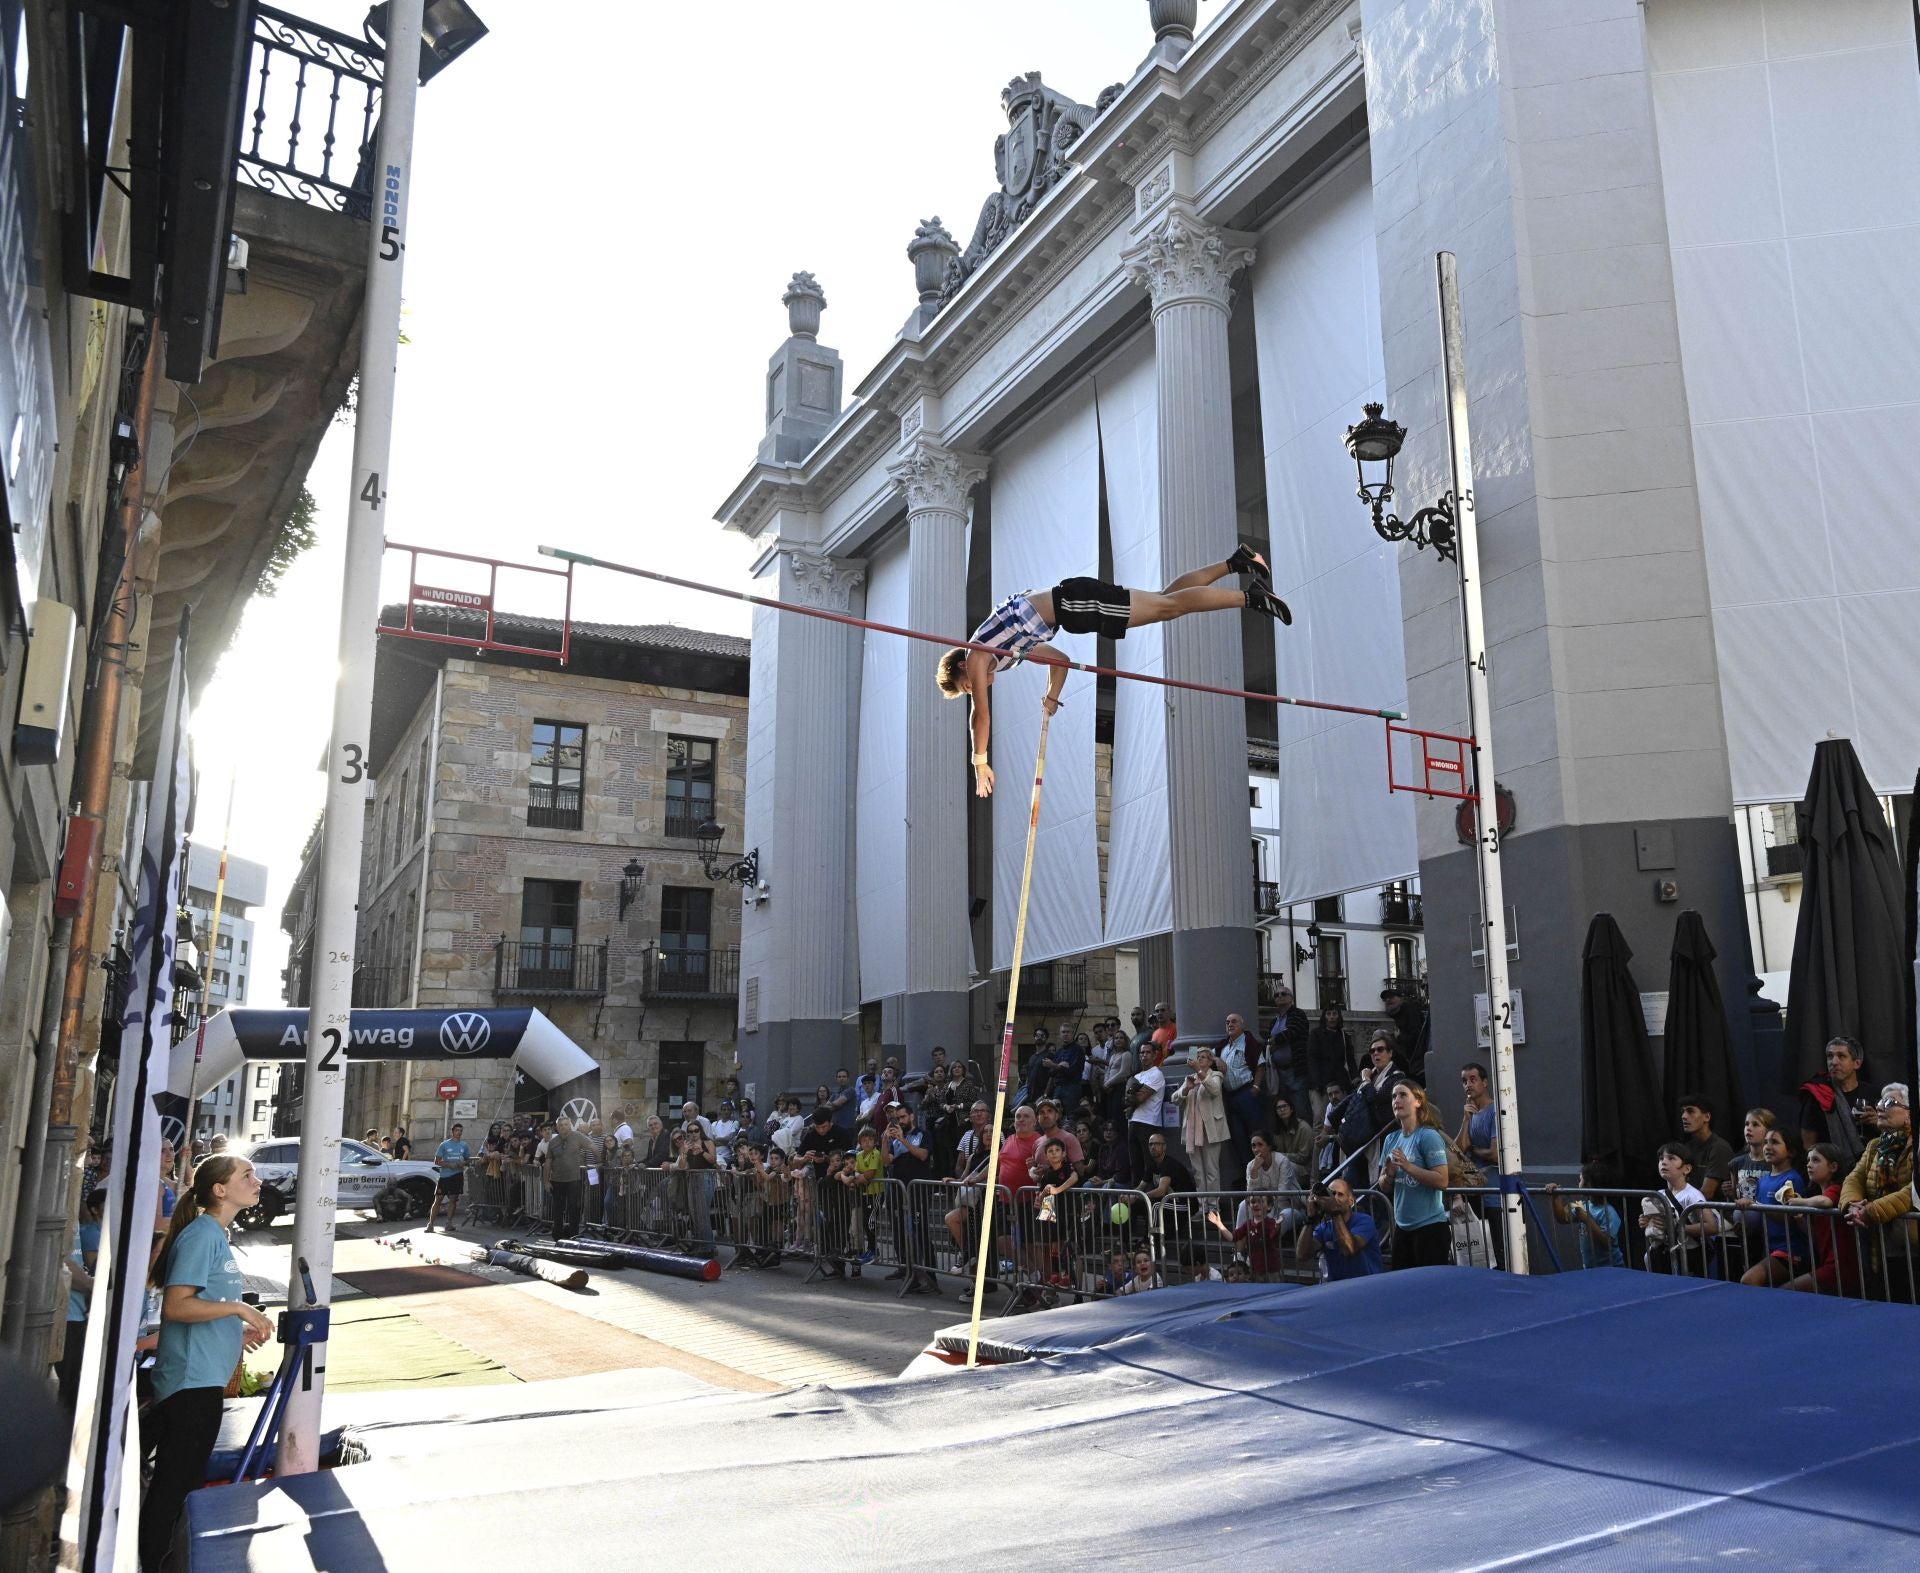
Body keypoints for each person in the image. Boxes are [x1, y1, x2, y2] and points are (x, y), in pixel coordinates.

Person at [938, 549, 1289, 797]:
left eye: (966, 685)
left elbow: (979, 717)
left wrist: (978, 762)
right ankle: (1235, 562)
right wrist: (1051, 697)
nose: (975, 688)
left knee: (1168, 608)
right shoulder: (1006, 650)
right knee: (1165, 599)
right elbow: (1059, 661)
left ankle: (1251, 598)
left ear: (960, 668)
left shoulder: (978, 653)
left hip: (1074, 604)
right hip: (1074, 604)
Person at [138, 1157, 275, 1570]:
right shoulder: (202, 1236)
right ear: (220, 1190)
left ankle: (165, 1557)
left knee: (183, 1481)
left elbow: (204, 1307)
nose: (258, 1180)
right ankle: (155, 1560)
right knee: (176, 1485)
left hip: (202, 1378)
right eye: (247, 1176)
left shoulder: (216, 1234)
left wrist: (235, 1330)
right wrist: (240, 1309)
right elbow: (178, 1307)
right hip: (189, 1381)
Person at [1837, 1082, 1914, 1302]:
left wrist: (1872, 1211)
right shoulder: (1875, 1146)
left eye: (1890, 1102)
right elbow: (1854, 1178)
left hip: (1913, 1246)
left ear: (1910, 1113)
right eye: (1880, 1101)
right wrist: (1852, 1204)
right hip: (1880, 1245)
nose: (1879, 1107)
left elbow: (1915, 1190)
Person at [1381, 1082, 1451, 1269]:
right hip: (1402, 1228)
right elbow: (1383, 1186)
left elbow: (1442, 1180)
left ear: (1418, 1101)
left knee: (1430, 1290)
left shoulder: (1428, 1136)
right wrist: (1388, 1176)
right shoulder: (1391, 1139)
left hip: (1430, 1228)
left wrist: (1407, 1166)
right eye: (1394, 1097)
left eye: (1403, 1095)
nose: (1397, 1100)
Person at [1781, 1143, 1857, 1295]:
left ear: (1833, 1167)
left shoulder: (1837, 1188)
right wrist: (1801, 1220)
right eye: (1808, 1160)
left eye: (1815, 1160)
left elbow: (1826, 1202)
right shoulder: (1818, 1196)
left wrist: (1798, 1202)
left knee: (1786, 1291)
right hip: (1828, 1264)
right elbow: (1817, 1235)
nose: (1809, 1165)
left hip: (1839, 1267)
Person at [1736, 1127, 1807, 1288]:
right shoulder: (1764, 1180)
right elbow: (1760, 1219)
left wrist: (1756, 1206)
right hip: (1768, 1248)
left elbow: (1789, 1217)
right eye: (1766, 1142)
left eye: (1774, 1142)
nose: (1767, 1147)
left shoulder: (1792, 1179)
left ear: (1791, 1152)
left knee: (1749, 1280)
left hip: (1790, 1250)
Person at [57, 1186, 105, 1408]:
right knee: (64, 1391)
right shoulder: (59, 1216)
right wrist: (92, 1285)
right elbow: (61, 1261)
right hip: (63, 1316)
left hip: (77, 1314)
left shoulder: (71, 1216)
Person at [1798, 1036, 1880, 1166]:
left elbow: (1893, 1134)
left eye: (1841, 1056)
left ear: (1856, 1063)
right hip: (1834, 1170)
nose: (1834, 1062)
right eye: (1830, 1056)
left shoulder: (1875, 1093)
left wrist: (1878, 1122)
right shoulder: (1817, 1095)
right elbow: (1808, 1144)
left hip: (1873, 1166)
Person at [1639, 1144, 1717, 1276]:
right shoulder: (1659, 1195)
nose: (1663, 1162)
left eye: (1671, 1158)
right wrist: (1646, 1222)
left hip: (1688, 1256)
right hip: (1664, 1255)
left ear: (1686, 1168)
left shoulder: (1692, 1195)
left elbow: (1711, 1227)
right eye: (1661, 1158)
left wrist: (1674, 1228)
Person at [1544, 1160, 1626, 1269]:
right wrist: (1556, 1197)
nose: (1579, 1183)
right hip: (1591, 1269)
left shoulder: (1609, 1211)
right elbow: (1562, 1218)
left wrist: (1587, 1220)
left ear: (1590, 1184)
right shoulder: (1583, 1206)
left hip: (1612, 1268)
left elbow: (1608, 1241)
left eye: (1581, 1179)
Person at [1172, 1044, 1230, 1198]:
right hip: (1192, 1132)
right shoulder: (1190, 1079)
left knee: (1212, 1171)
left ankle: (1213, 1207)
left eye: (1203, 1057)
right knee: (1198, 1171)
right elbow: (1174, 1099)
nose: (1199, 1060)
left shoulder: (1216, 1076)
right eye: (1197, 1057)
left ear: (1210, 1062)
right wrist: (1186, 1089)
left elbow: (1215, 1090)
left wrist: (1199, 1070)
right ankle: (1202, 1206)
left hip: (1210, 1130)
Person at [1299, 1176, 1383, 1280]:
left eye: (1340, 1194)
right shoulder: (1325, 1227)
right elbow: (1302, 1255)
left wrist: (1335, 1212)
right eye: (1331, 1193)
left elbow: (1349, 1249)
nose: (1334, 1198)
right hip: (1338, 1287)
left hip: (1365, 1285)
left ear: (1351, 1201)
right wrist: (1310, 1219)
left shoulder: (1365, 1221)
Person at [1215, 1012, 1264, 1174]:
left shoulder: (1249, 1042)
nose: (1230, 1024)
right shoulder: (1223, 1046)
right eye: (1227, 1022)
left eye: (1234, 1021)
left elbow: (1261, 1064)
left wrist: (1256, 1088)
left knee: (1256, 1135)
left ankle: (1264, 1173)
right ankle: (1248, 1177)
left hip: (1246, 1093)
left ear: (1242, 1025)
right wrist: (1216, 1059)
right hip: (1231, 1097)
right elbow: (1198, 1053)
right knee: (1239, 1138)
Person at [543, 1116, 598, 1239]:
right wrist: (546, 1182)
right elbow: (548, 1163)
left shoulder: (577, 1136)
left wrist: (600, 1161)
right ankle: (557, 1236)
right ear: (557, 1127)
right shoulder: (552, 1142)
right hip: (557, 1180)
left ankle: (574, 1235)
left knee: (574, 1208)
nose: (563, 1127)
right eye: (561, 1125)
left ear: (570, 1125)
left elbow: (592, 1145)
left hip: (574, 1180)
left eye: (566, 1124)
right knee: (558, 1209)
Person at [1210, 1193, 1284, 1282]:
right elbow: (1233, 1237)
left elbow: (1273, 1237)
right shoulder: (1247, 1225)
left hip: (1271, 1270)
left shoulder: (1271, 1223)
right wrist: (1219, 1224)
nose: (1256, 1204)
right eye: (1253, 1202)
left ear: (1269, 1206)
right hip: (1254, 1270)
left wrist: (1277, 1227)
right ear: (1249, 1205)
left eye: (1260, 1202)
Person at [1264, 984, 1311, 1119]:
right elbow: (1268, 1039)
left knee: (1300, 1109)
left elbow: (1292, 1032)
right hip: (1278, 1072)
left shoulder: (1298, 1014)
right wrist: (1272, 1041)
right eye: (1276, 995)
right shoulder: (1274, 1020)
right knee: (1284, 1110)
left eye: (1283, 994)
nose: (1279, 996)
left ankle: (1305, 1138)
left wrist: (1275, 1041)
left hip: (1295, 1070)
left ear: (1291, 998)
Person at [1677, 1094, 1734, 1201]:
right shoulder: (1686, 1148)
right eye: (1683, 1112)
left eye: (1690, 1111)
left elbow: (1706, 1194)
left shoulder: (1719, 1148)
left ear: (1707, 1117)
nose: (1684, 1116)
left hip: (1714, 1213)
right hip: (1690, 1209)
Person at [1126, 1041, 1169, 1183]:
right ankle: (1136, 1200)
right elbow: (1126, 1100)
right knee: (1134, 1163)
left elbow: (1140, 1097)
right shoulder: (1137, 1076)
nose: (1144, 1055)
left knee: (1148, 1163)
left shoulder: (1157, 1074)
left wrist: (1133, 1094)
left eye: (1148, 1052)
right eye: (1142, 1053)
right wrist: (1133, 1096)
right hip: (1133, 1121)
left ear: (1155, 1054)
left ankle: (1149, 1199)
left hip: (1148, 1123)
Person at [1307, 1007, 1356, 1118]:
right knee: (1320, 1116)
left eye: (1335, 1013)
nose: (1332, 1017)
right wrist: (1316, 1083)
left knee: (1343, 1115)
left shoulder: (1344, 1036)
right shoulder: (1316, 1034)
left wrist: (1355, 1078)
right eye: (1328, 1014)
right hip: (1320, 1083)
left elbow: (1350, 1059)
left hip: (1339, 1082)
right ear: (1324, 1017)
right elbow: (1312, 1059)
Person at [424, 1122, 471, 1232]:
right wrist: (449, 1165)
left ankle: (449, 1223)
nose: (459, 1132)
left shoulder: (464, 1145)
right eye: (457, 1130)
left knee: (453, 1200)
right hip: (445, 1176)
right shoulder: (444, 1145)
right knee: (438, 1199)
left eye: (461, 1131)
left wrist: (463, 1163)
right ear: (452, 1132)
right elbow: (436, 1161)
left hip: (457, 1175)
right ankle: (430, 1224)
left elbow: (468, 1160)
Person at [1381, 984, 1429, 1083]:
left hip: (1413, 1058)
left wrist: (1399, 1037)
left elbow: (1416, 1037)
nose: (1388, 1000)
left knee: (1380, 1034)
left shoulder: (1410, 1011)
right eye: (1386, 999)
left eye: (1392, 997)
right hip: (1406, 1056)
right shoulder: (1396, 1014)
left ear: (1401, 999)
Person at [1270, 1096, 1314, 1182]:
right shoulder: (1278, 1130)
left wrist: (1280, 1156)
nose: (1282, 1109)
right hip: (1288, 1166)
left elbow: (1303, 1158)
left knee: (1285, 1165)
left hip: (1305, 1170)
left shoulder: (1303, 1128)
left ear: (1291, 1109)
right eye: (1279, 1108)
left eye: (1284, 1106)